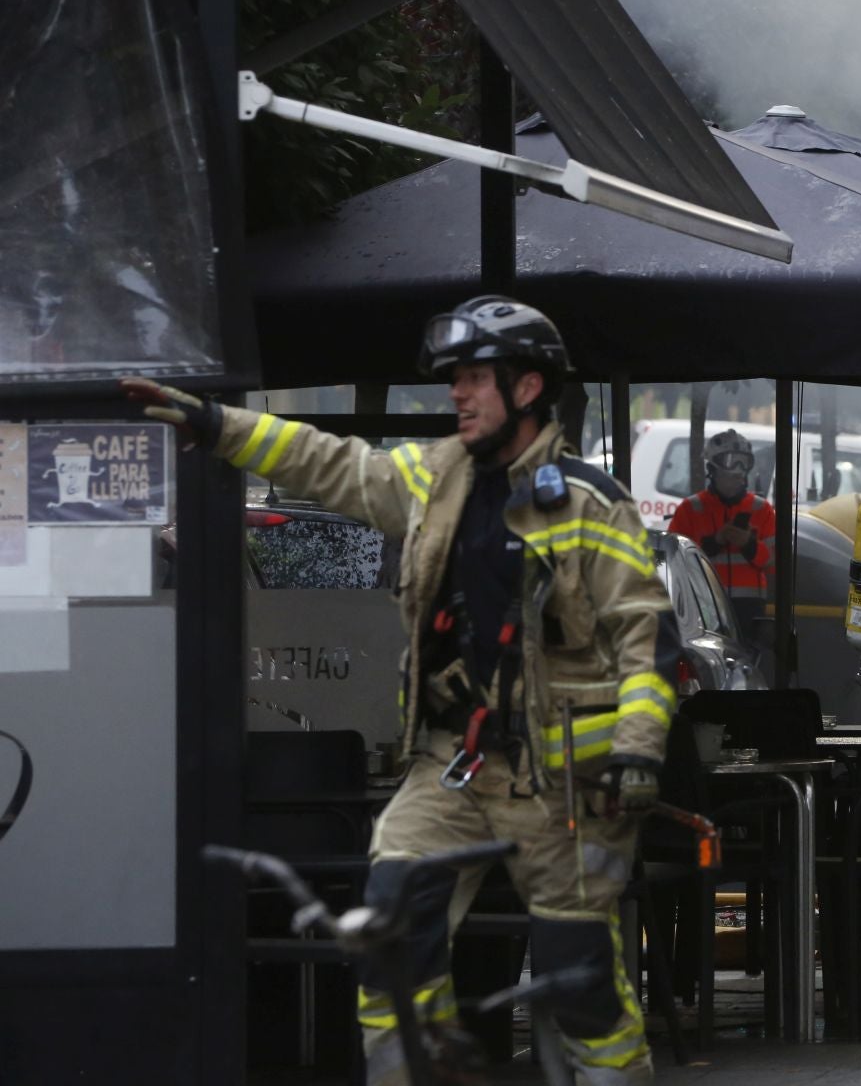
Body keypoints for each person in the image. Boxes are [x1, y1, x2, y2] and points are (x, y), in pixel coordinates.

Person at [125, 295, 678, 1084]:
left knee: (578, 974)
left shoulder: (586, 502)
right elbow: (332, 461)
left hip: (562, 783)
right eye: (455, 377)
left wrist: (636, 754)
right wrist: (219, 426)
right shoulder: (432, 476)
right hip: (451, 761)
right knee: (388, 929)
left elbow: (643, 635)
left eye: (476, 377)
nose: (457, 392)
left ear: (527, 389)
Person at [668, 427, 776, 639]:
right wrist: (715, 541)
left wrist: (748, 543)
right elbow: (674, 562)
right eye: (730, 462)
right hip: (703, 606)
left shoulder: (761, 509)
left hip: (749, 611)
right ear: (712, 468)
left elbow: (774, 562)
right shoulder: (691, 509)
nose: (737, 471)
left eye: (743, 463)